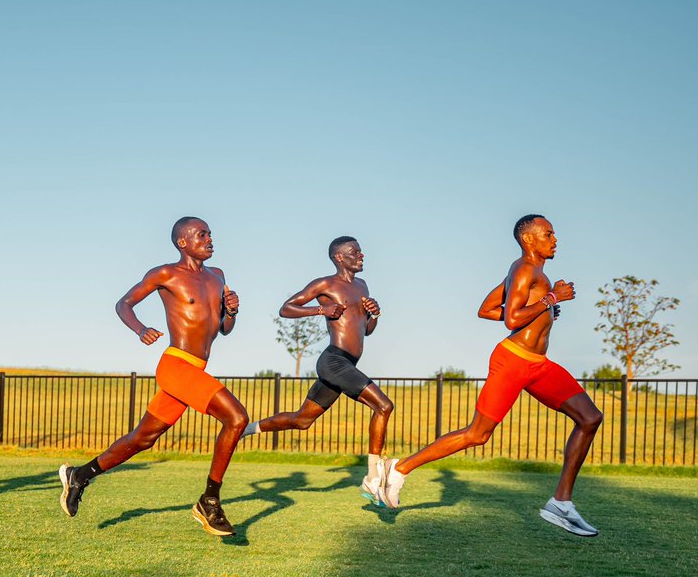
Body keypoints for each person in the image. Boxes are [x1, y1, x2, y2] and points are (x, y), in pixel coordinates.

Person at [381, 214, 603, 536]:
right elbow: (511, 320)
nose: (555, 239)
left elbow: (486, 310)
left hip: (538, 365)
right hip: (513, 361)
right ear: (529, 239)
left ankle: (561, 503)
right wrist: (551, 299)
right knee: (477, 434)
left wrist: (542, 306)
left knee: (590, 417)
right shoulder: (525, 269)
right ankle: (399, 469)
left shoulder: (531, 272)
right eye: (549, 234)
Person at [58, 216, 248, 536]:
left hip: (196, 368)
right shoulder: (166, 273)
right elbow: (124, 304)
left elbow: (224, 330)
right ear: (182, 242)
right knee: (237, 418)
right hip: (176, 365)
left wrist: (231, 311)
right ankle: (210, 501)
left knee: (143, 439)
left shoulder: (218, 277)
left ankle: (80, 475)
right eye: (202, 235)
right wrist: (141, 329)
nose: (210, 239)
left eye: (210, 234)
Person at [242, 236, 395, 502]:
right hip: (334, 361)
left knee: (302, 420)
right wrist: (322, 310)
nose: (362, 255)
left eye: (360, 252)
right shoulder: (325, 284)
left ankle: (246, 428)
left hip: (348, 363)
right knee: (384, 406)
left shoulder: (362, 285)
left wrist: (374, 314)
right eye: (355, 252)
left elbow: (366, 331)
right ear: (339, 257)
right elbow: (286, 308)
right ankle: (373, 478)